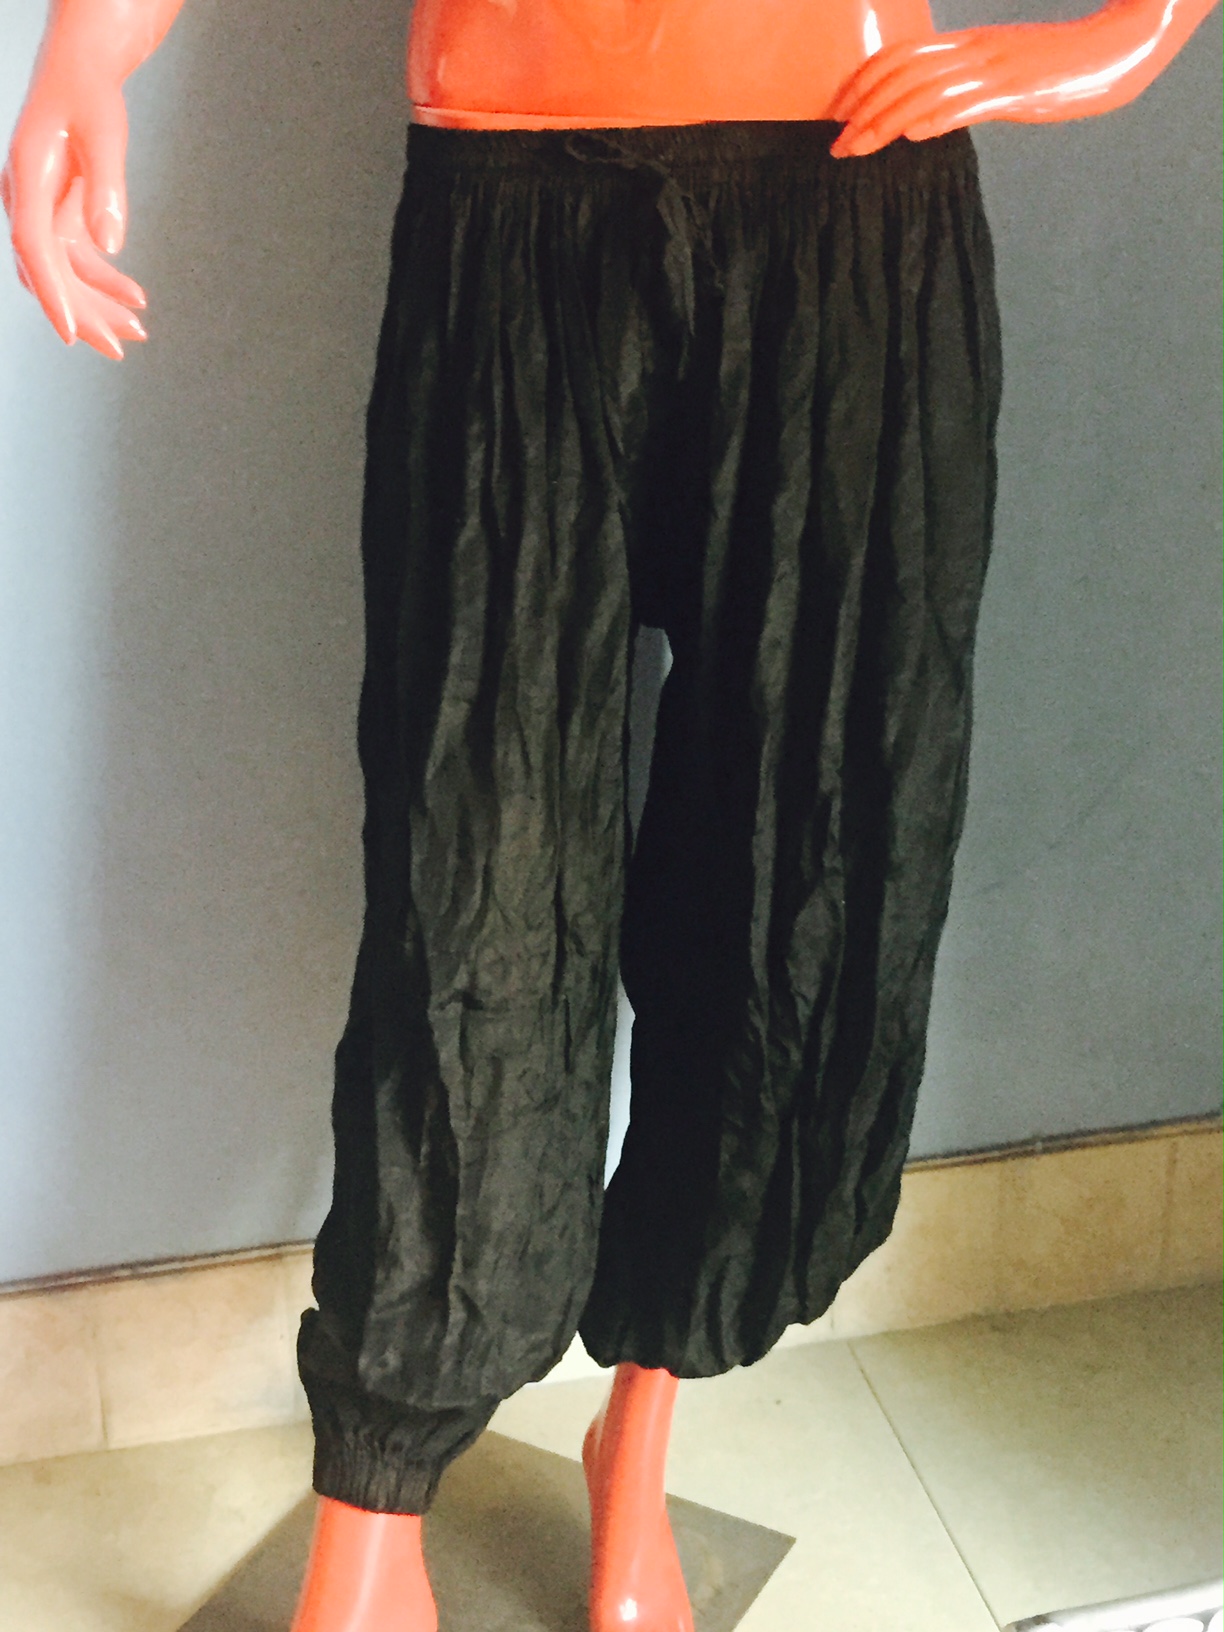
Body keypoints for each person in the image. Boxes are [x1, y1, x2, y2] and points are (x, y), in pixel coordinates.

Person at [4, 1, 1218, 1629]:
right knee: (472, 861)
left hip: (851, 195)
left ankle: (641, 1431)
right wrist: (86, 49)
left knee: (801, 858)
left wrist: (1137, 29)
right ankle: (373, 1504)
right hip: (509, 210)